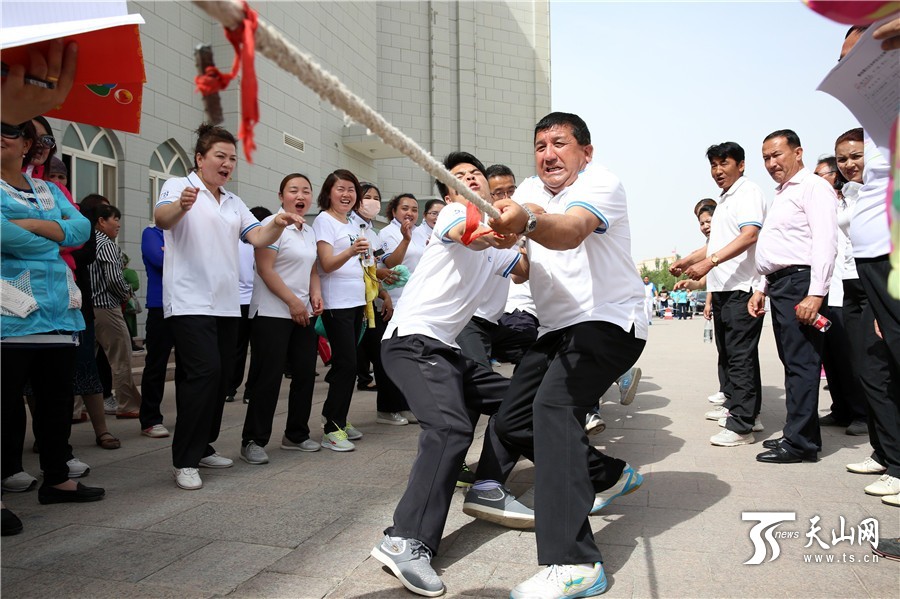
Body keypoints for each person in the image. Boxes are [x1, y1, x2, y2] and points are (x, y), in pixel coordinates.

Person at [488, 112, 647, 598]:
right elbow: (526, 253)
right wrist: (503, 240)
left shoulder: (602, 183)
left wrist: (526, 221)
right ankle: (610, 475)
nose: (548, 153)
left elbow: (570, 229)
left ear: (585, 152)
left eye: (560, 143)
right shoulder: (532, 189)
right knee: (512, 422)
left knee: (553, 409)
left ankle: (575, 562)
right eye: (540, 145)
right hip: (556, 328)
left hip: (608, 321)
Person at [370, 151, 529, 598]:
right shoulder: (455, 215)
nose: (471, 180)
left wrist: (522, 230)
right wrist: (494, 234)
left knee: (520, 399)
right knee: (450, 427)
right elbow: (468, 235)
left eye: (476, 174)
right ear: (449, 192)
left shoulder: (495, 235)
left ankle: (489, 485)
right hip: (412, 342)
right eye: (459, 177)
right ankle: (405, 539)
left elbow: (522, 269)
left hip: (446, 349)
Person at [154, 124, 304, 490]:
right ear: (200, 158)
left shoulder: (234, 202)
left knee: (221, 378)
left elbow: (257, 237)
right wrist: (181, 205)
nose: (227, 164)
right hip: (189, 299)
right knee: (203, 374)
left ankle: (204, 445)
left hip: (225, 304)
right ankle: (185, 459)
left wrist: (279, 223)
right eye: (220, 156)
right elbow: (162, 220)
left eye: (232, 158)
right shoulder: (179, 186)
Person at [1, 119, 103, 535]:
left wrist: (28, 227)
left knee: (56, 401)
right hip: (10, 313)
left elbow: (81, 230)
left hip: (59, 310)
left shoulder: (47, 188)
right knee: (4, 405)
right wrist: (54, 234)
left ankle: (57, 478)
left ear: (27, 144)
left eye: (7, 131)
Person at [748, 129, 837, 464]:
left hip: (801, 284)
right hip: (781, 285)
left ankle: (799, 444)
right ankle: (800, 434)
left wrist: (816, 294)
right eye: (766, 158)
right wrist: (761, 287)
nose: (772, 163)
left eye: (777, 155)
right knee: (793, 363)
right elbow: (778, 248)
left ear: (798, 152)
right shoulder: (784, 193)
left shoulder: (813, 188)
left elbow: (825, 241)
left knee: (802, 364)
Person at [672, 141, 767, 446]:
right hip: (725, 289)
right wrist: (688, 261)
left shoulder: (748, 192)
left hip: (741, 289)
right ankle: (741, 412)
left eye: (724, 163)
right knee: (731, 357)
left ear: (740, 164)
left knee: (740, 358)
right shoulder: (726, 199)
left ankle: (742, 426)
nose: (718, 171)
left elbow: (750, 235)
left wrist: (708, 262)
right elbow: (716, 243)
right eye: (713, 165)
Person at [240, 174, 324, 464]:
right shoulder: (272, 227)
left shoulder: (308, 230)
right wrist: (292, 302)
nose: (300, 196)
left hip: (302, 312)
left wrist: (314, 295)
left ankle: (296, 434)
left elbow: (312, 269)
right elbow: (266, 270)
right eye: (293, 191)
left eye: (305, 191)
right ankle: (253, 439)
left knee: (304, 374)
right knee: (269, 377)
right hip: (272, 312)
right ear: (281, 196)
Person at [312, 169, 370, 451]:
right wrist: (350, 251)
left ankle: (339, 419)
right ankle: (332, 428)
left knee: (350, 364)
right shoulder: (324, 221)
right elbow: (325, 263)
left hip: (355, 301)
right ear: (329, 192)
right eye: (341, 189)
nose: (347, 194)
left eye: (351, 189)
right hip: (336, 304)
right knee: (346, 364)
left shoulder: (351, 223)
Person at [814, 152, 867, 436]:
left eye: (820, 175)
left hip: (848, 292)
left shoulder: (849, 203)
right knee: (831, 358)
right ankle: (841, 408)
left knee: (852, 357)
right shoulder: (823, 206)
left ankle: (862, 412)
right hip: (826, 294)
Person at [355, 183, 412, 425]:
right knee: (360, 362)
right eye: (366, 197)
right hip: (353, 303)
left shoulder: (372, 232)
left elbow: (375, 268)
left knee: (383, 356)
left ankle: (391, 407)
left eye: (376, 197)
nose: (372, 202)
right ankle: (336, 421)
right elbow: (368, 268)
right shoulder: (349, 227)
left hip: (373, 303)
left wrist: (383, 293)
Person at [89, 202, 144, 419]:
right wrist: (126, 294)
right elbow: (114, 279)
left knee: (85, 361)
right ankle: (127, 404)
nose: (118, 224)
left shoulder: (85, 243)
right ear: (101, 221)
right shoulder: (108, 245)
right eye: (115, 219)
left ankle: (75, 408)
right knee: (121, 358)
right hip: (107, 308)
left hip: (86, 309)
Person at [139, 221, 173, 438]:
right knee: (156, 365)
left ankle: (190, 416)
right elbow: (160, 260)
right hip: (161, 306)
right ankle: (150, 419)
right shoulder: (152, 233)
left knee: (191, 367)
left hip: (189, 306)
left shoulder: (188, 233)